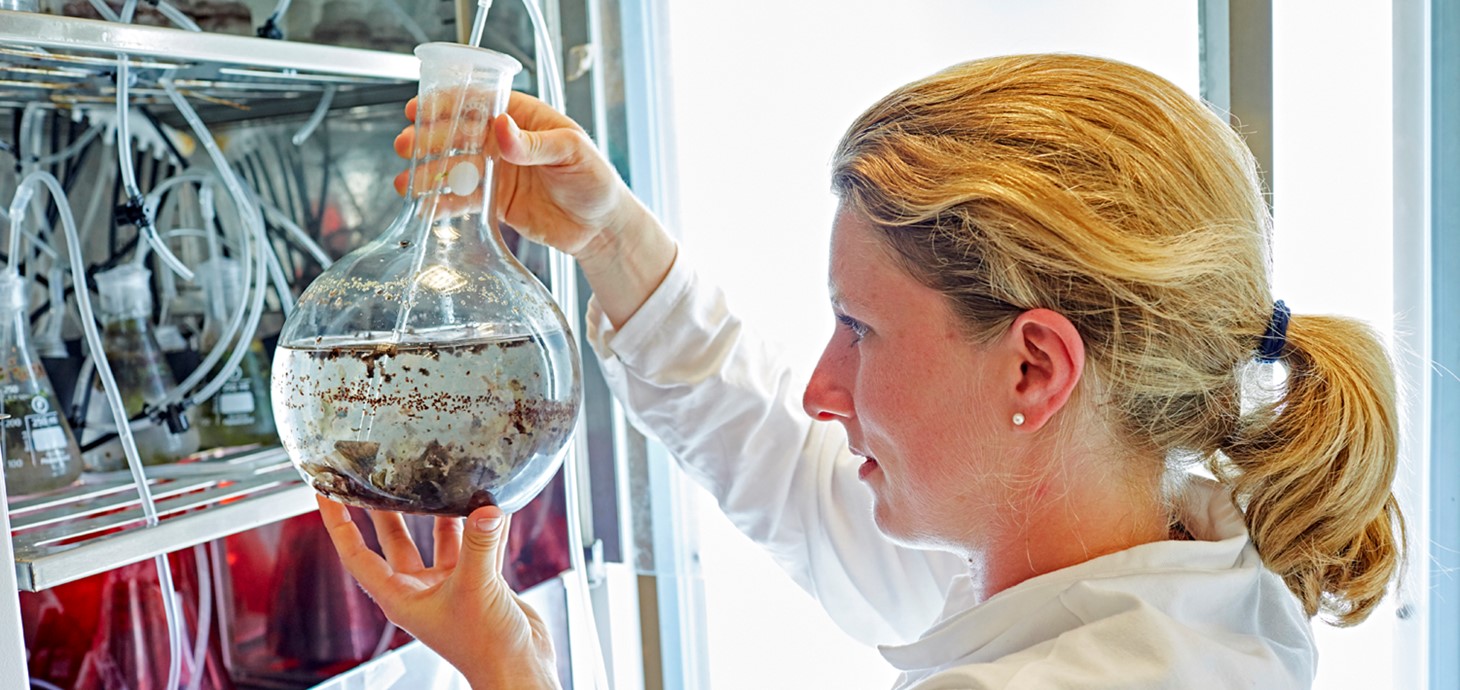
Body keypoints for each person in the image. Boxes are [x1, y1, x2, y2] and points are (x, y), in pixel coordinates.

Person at [317, 53, 1406, 689]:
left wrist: (507, 670)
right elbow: (795, 480)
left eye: (858, 329)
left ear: (1033, 369)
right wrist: (610, 239)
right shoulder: (1158, 554)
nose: (819, 387)